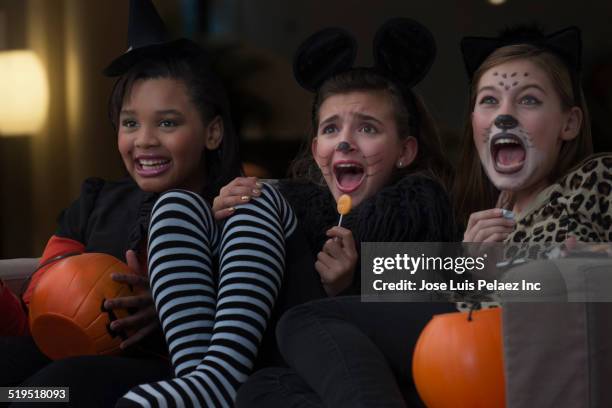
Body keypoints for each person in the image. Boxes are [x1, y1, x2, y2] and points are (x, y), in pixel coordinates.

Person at [0, 1, 241, 406]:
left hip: (169, 371)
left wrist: (170, 304)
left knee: (49, 392)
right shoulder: (97, 202)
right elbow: (35, 311)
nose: (144, 140)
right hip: (66, 349)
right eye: (131, 123)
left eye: (167, 122)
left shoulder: (232, 209)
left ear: (212, 132)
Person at [207, 19, 457, 408]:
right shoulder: (290, 215)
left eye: (368, 129)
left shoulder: (421, 209)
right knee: (261, 390)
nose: (344, 141)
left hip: (412, 378)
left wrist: (352, 282)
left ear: (405, 151)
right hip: (311, 381)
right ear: (315, 147)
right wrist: (222, 219)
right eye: (331, 129)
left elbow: (427, 309)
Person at [455, 25, 611, 256]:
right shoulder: (476, 227)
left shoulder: (599, 183)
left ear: (568, 123)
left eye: (529, 99)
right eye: (489, 99)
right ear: (473, 122)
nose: (503, 116)